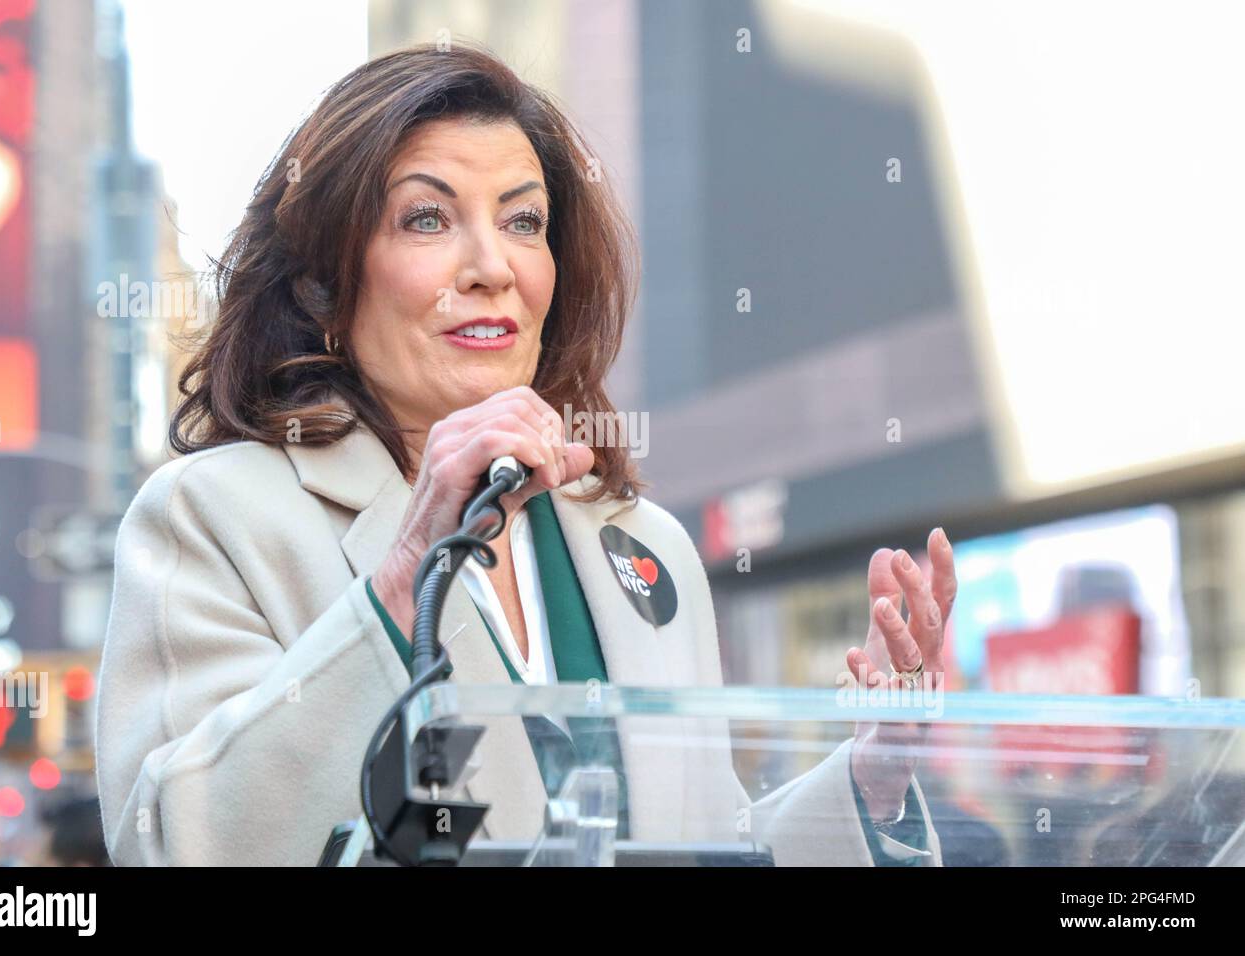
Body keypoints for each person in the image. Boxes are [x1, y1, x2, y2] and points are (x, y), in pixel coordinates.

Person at [95, 40, 957, 866]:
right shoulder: (214, 517)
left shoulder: (642, 545)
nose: (492, 266)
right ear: (324, 284)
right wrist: (404, 582)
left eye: (525, 221)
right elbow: (177, 841)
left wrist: (869, 784)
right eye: (428, 218)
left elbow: (710, 847)